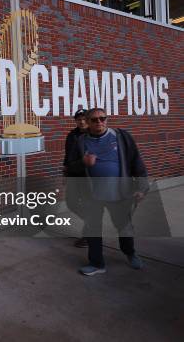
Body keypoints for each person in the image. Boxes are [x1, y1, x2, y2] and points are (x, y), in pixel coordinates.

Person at [66, 108, 148, 276]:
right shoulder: (80, 142)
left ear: (107, 119)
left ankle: (130, 253)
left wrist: (141, 188)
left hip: (119, 194)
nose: (99, 122)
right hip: (92, 196)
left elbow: (136, 163)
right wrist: (83, 162)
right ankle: (97, 264)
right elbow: (70, 167)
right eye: (94, 120)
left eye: (102, 118)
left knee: (124, 227)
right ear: (87, 122)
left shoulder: (121, 137)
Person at [63, 108, 88, 248]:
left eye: (84, 119)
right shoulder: (72, 135)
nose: (82, 121)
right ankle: (92, 222)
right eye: (79, 119)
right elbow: (67, 156)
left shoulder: (94, 134)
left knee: (87, 203)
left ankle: (88, 235)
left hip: (88, 178)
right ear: (76, 121)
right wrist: (65, 173)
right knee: (71, 202)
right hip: (73, 176)